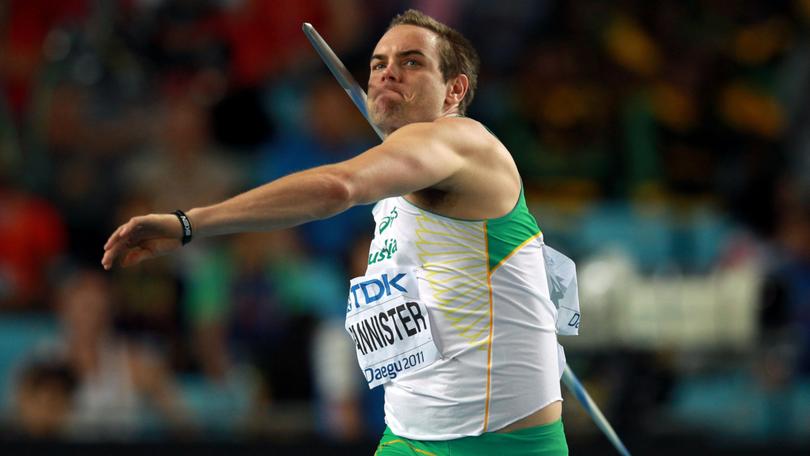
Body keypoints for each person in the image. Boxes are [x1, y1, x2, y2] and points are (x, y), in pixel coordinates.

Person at [102, 9, 568, 455]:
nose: (388, 72)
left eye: (411, 62)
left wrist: (189, 224)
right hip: (411, 437)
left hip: (496, 446)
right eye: (378, 63)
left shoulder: (463, 140)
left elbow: (337, 187)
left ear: (453, 91)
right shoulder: (399, 194)